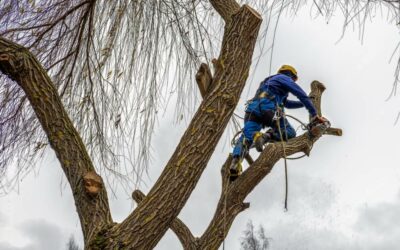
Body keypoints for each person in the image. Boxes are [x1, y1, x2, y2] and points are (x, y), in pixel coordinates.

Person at [230, 65, 326, 180]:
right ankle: (266, 136)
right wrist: (314, 114)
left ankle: (235, 163)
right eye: (294, 79)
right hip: (268, 108)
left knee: (246, 138)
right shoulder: (285, 78)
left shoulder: (270, 81)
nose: (294, 81)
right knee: (289, 132)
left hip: (252, 110)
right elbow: (300, 94)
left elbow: (287, 103)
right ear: (291, 75)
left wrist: (302, 103)